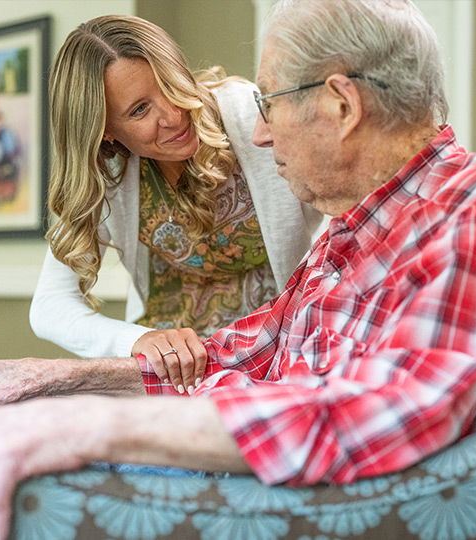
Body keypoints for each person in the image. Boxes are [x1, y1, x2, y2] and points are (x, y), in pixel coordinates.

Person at [0, 1, 476, 540]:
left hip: (269, 490)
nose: (259, 131)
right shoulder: (354, 229)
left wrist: (90, 425)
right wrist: (62, 382)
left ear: (339, 105)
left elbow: (389, 410)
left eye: (272, 104)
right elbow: (256, 344)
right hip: (229, 443)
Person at [28, 14, 323, 394]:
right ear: (105, 130)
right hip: (169, 379)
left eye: (171, 85)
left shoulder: (253, 118)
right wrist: (137, 340)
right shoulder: (107, 175)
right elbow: (50, 306)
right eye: (139, 110)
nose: (172, 115)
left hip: (274, 363)